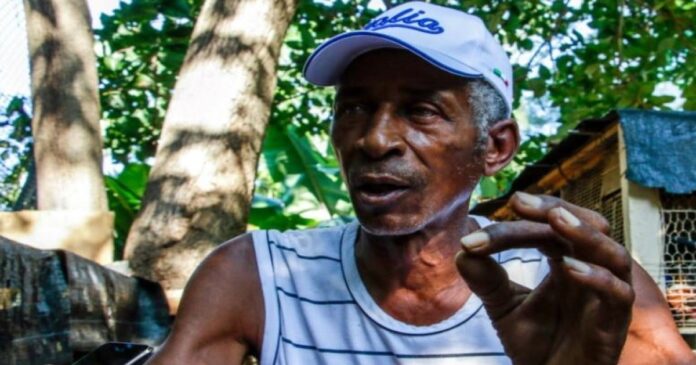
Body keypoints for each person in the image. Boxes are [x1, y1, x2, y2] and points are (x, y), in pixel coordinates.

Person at [146, 2, 695, 364]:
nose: (374, 138)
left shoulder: (577, 288)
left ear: (496, 147)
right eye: (355, 107)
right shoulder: (256, 275)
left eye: (422, 110)